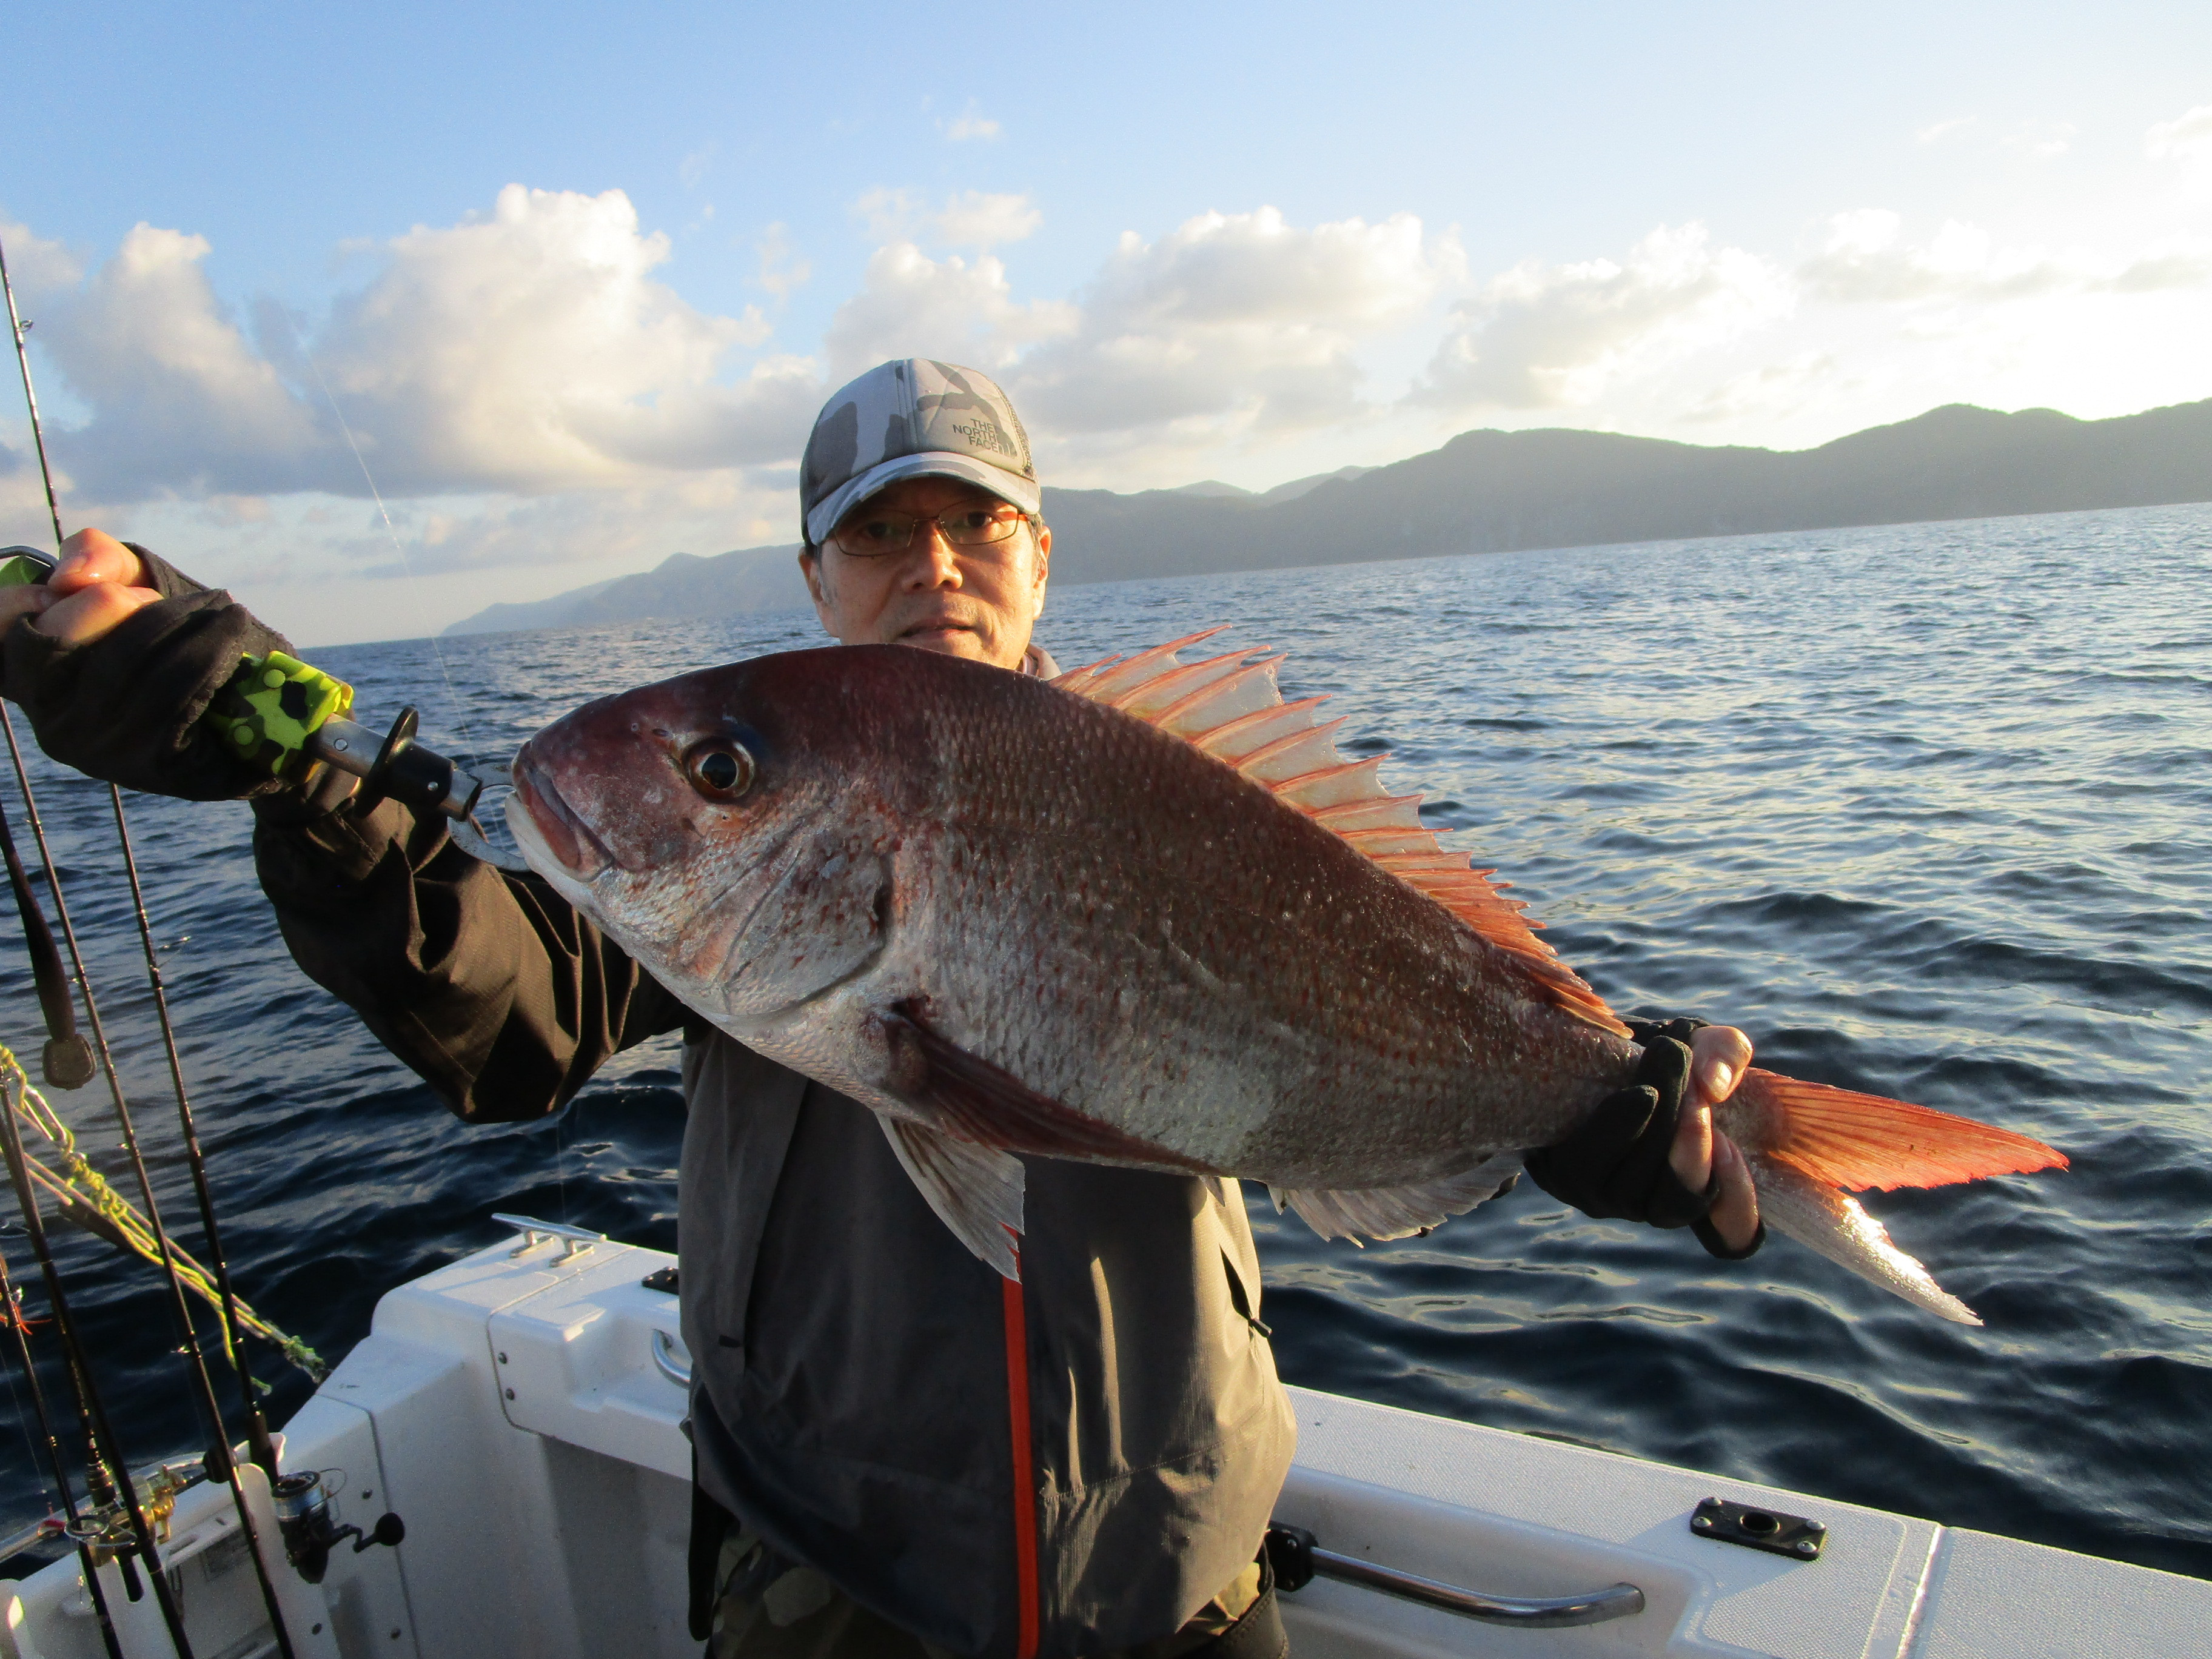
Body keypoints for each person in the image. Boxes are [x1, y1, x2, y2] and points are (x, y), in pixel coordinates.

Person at [0, 359, 1761, 1659]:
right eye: (882, 532)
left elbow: (1386, 1003)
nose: (937, 565)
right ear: (816, 584)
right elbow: (510, 1010)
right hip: (831, 1585)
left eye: (976, 523)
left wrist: (1583, 1103)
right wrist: (298, 779)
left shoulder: (1194, 794)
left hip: (1181, 1582)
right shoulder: (741, 863)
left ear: (1041, 559)